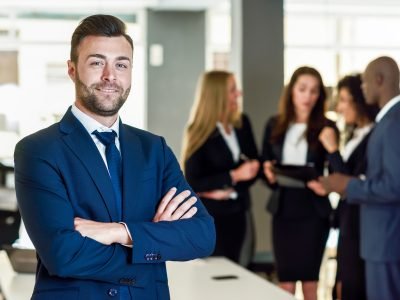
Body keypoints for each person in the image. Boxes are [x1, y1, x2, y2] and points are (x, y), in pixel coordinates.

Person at [14, 14, 215, 300]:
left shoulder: (154, 150)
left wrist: (119, 232)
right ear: (72, 70)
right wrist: (151, 243)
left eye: (121, 64)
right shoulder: (38, 150)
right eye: (97, 62)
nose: (110, 76)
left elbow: (202, 236)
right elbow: (63, 254)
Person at [317, 56, 400, 300]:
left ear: (379, 80)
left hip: (385, 240)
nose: (362, 88)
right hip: (378, 239)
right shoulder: (387, 120)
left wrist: (347, 185)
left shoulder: (393, 122)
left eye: (364, 83)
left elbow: (394, 185)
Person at [261, 66, 337, 300]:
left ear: (320, 96)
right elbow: (265, 165)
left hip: (313, 211)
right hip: (283, 210)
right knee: (285, 282)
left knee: (311, 283)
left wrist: (325, 184)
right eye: (302, 89)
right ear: (291, 91)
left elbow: (337, 173)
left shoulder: (327, 127)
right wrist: (269, 174)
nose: (307, 96)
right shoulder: (274, 125)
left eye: (314, 91)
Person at [181, 71, 259, 265]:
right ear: (218, 95)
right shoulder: (198, 131)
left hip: (240, 211)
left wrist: (232, 186)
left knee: (239, 270)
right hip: (211, 217)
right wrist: (233, 175)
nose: (238, 94)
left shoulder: (242, 124)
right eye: (233, 90)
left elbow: (254, 165)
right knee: (215, 274)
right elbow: (192, 181)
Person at [311, 74, 378, 300]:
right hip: (347, 221)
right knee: (341, 285)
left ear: (359, 101)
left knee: (350, 286)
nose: (338, 108)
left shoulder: (375, 136)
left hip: (361, 223)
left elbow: (350, 181)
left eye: (343, 100)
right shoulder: (354, 134)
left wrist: (332, 150)